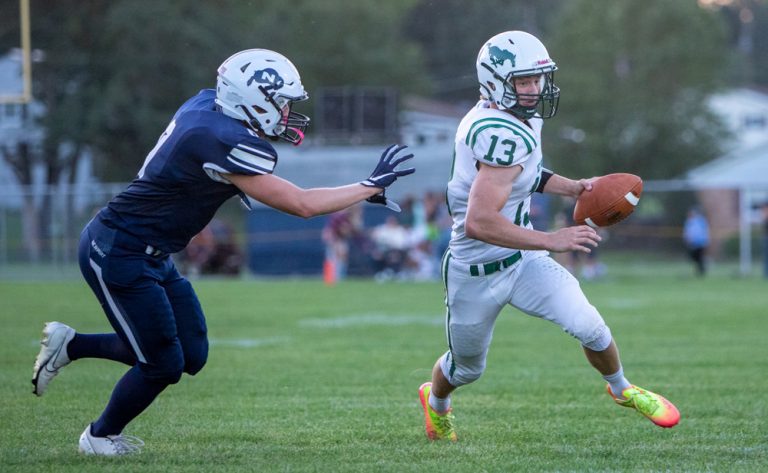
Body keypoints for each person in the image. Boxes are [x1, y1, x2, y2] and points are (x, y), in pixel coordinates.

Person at [31, 49, 414, 456]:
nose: (285, 112)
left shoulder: (207, 108)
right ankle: (99, 436)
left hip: (154, 253)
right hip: (117, 251)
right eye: (280, 102)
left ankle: (70, 345)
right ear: (252, 99)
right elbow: (301, 204)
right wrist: (369, 185)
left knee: (190, 354)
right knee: (162, 363)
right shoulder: (219, 138)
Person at [417, 31, 679, 442]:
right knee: (466, 368)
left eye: (537, 79)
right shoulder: (498, 131)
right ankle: (436, 403)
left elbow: (524, 174)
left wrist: (572, 187)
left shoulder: (521, 119)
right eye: (523, 82)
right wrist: (551, 239)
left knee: (589, 324)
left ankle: (622, 389)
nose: (534, 89)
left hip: (522, 261)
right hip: (475, 268)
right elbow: (479, 222)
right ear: (494, 82)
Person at [683, 207, 710, 277]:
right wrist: (687, 239)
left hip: (700, 242)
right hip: (693, 242)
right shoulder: (689, 221)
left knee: (699, 257)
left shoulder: (701, 221)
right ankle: (701, 267)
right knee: (694, 257)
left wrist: (706, 240)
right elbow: (687, 232)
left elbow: (705, 231)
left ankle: (701, 271)